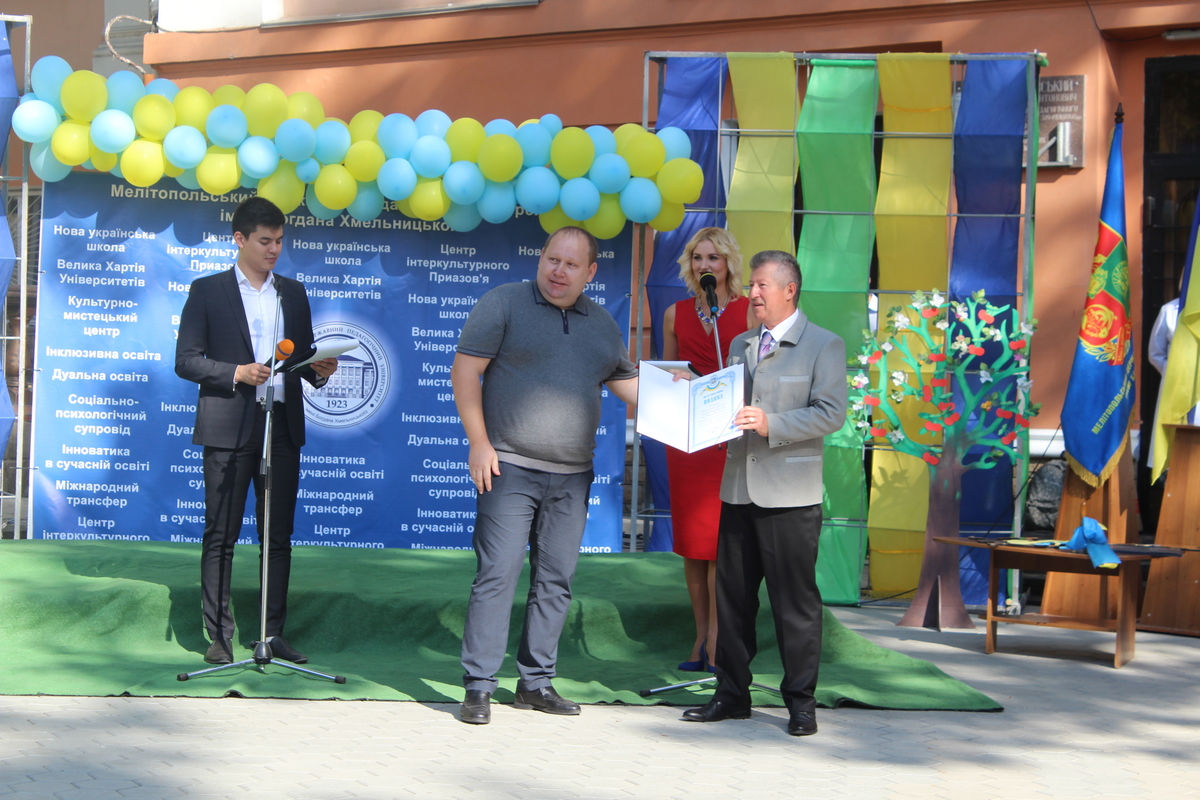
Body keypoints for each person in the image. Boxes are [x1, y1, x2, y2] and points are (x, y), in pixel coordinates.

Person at [451, 225, 639, 725]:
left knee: (556, 580)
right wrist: (479, 443)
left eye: (571, 264)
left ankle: (535, 683)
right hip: (508, 467)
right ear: (541, 258)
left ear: (590, 272)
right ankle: (479, 686)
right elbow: (465, 371)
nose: (558, 271)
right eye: (552, 259)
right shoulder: (504, 303)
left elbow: (629, 384)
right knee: (497, 574)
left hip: (573, 476)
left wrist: (683, 392)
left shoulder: (602, 323)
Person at [681, 250, 847, 737]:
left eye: (760, 286)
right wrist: (696, 391)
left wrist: (772, 422)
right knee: (732, 601)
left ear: (789, 290)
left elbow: (831, 413)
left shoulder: (824, 344)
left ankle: (801, 704)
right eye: (751, 285)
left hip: (790, 497)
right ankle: (732, 695)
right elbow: (732, 405)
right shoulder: (740, 343)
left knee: (794, 604)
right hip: (738, 489)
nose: (751, 293)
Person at [175, 196, 339, 666]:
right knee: (221, 533)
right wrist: (236, 373)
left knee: (277, 535)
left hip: (281, 426)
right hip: (228, 427)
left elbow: (301, 359)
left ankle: (272, 634)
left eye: (280, 241)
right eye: (265, 241)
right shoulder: (207, 290)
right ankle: (219, 636)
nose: (274, 250)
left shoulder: (294, 292)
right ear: (240, 239)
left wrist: (320, 370)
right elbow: (186, 361)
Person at [660, 227, 751, 671]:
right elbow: (668, 370)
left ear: (728, 263)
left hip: (728, 438)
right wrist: (676, 380)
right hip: (688, 441)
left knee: (717, 543)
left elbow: (758, 374)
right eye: (698, 258)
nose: (704, 265)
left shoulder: (749, 312)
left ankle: (718, 640)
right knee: (693, 546)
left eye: (713, 258)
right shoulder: (674, 314)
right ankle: (700, 636)